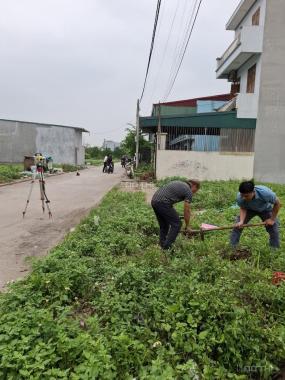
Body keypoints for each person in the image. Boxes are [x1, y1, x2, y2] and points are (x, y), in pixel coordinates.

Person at [151, 179, 200, 250]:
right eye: (196, 190)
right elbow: (187, 210)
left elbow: (169, 196)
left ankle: (162, 246)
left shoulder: (180, 183)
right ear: (194, 186)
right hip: (163, 202)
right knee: (177, 224)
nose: (194, 193)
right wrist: (187, 226)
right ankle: (167, 248)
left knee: (164, 225)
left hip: (154, 201)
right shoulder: (188, 191)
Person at [230, 180, 281, 249]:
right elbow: (243, 207)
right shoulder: (240, 197)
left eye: (246, 196)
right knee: (237, 227)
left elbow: (277, 203)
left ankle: (274, 249)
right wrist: (241, 221)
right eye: (242, 195)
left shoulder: (265, 193)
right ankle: (232, 248)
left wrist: (272, 219)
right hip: (249, 209)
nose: (243, 198)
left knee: (273, 228)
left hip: (265, 209)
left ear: (253, 192)